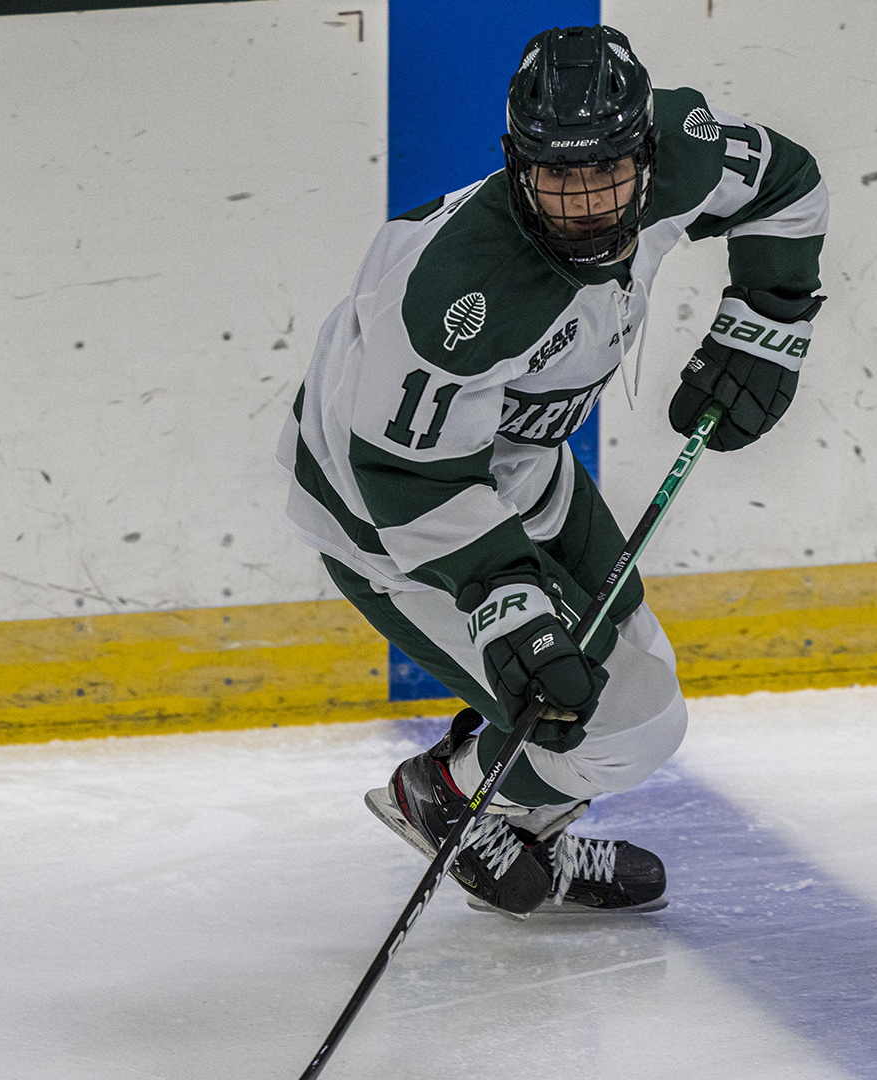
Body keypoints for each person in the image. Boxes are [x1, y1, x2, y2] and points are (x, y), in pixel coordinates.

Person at [274, 24, 828, 918]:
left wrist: (768, 318)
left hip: (520, 468)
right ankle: (452, 797)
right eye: (556, 176)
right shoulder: (462, 293)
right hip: (381, 513)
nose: (584, 202)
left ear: (646, 153)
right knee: (624, 724)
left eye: (607, 171)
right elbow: (406, 477)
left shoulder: (681, 158)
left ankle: (519, 823)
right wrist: (507, 601)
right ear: (515, 162)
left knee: (633, 677)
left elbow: (784, 178)